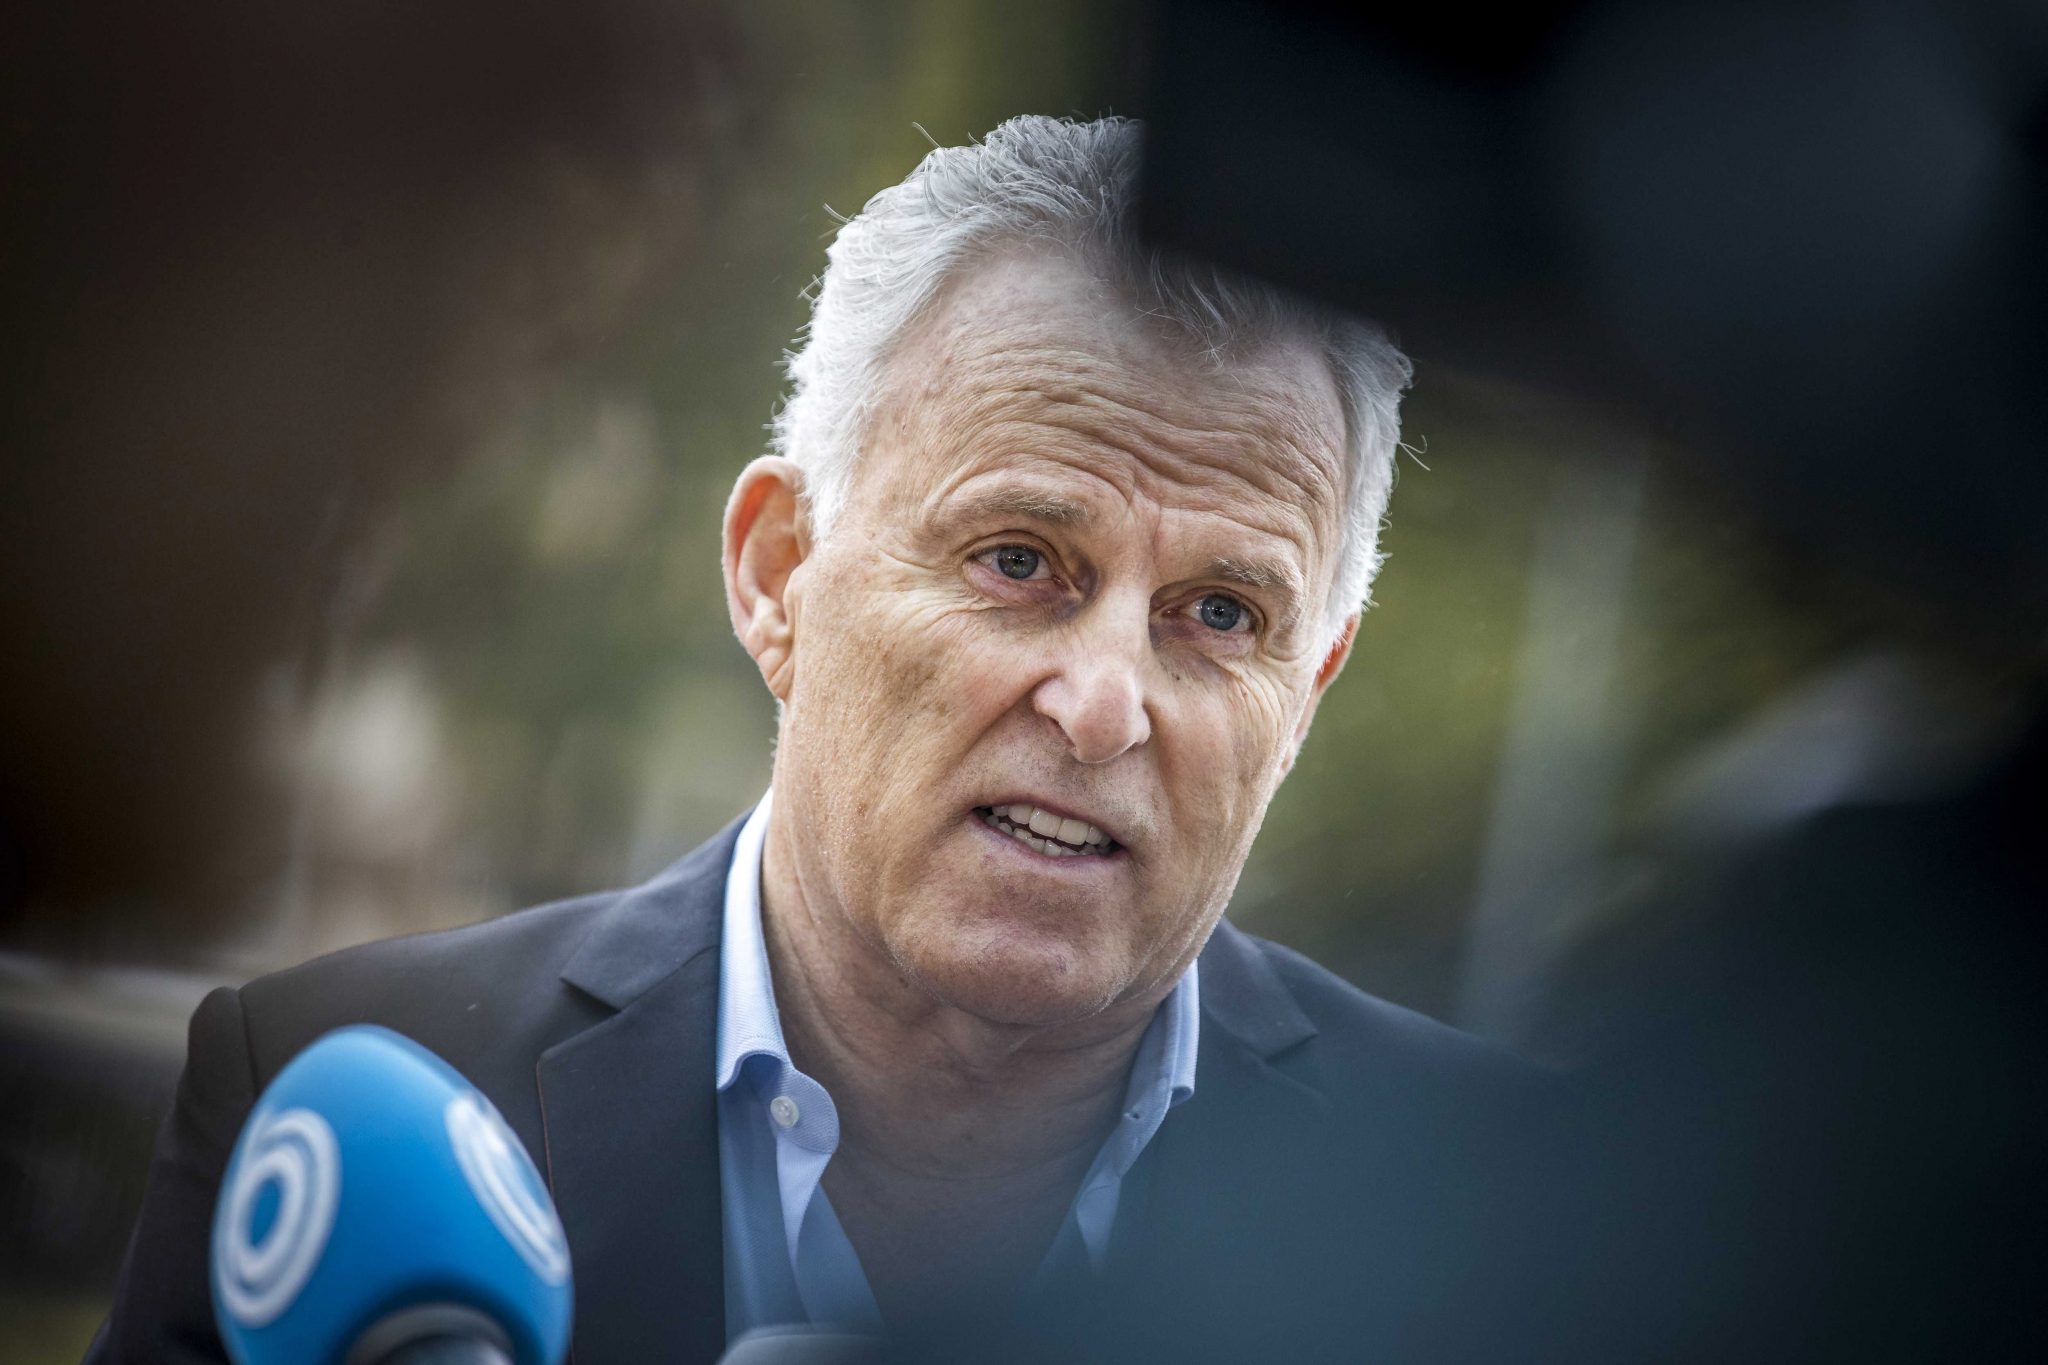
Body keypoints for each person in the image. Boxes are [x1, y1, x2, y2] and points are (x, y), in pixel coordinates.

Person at [89, 116, 1537, 1365]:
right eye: (1019, 560)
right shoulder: (327, 1108)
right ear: (779, 574)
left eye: (1221, 613)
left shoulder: (1513, 1215)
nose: (1104, 705)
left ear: (1308, 690)